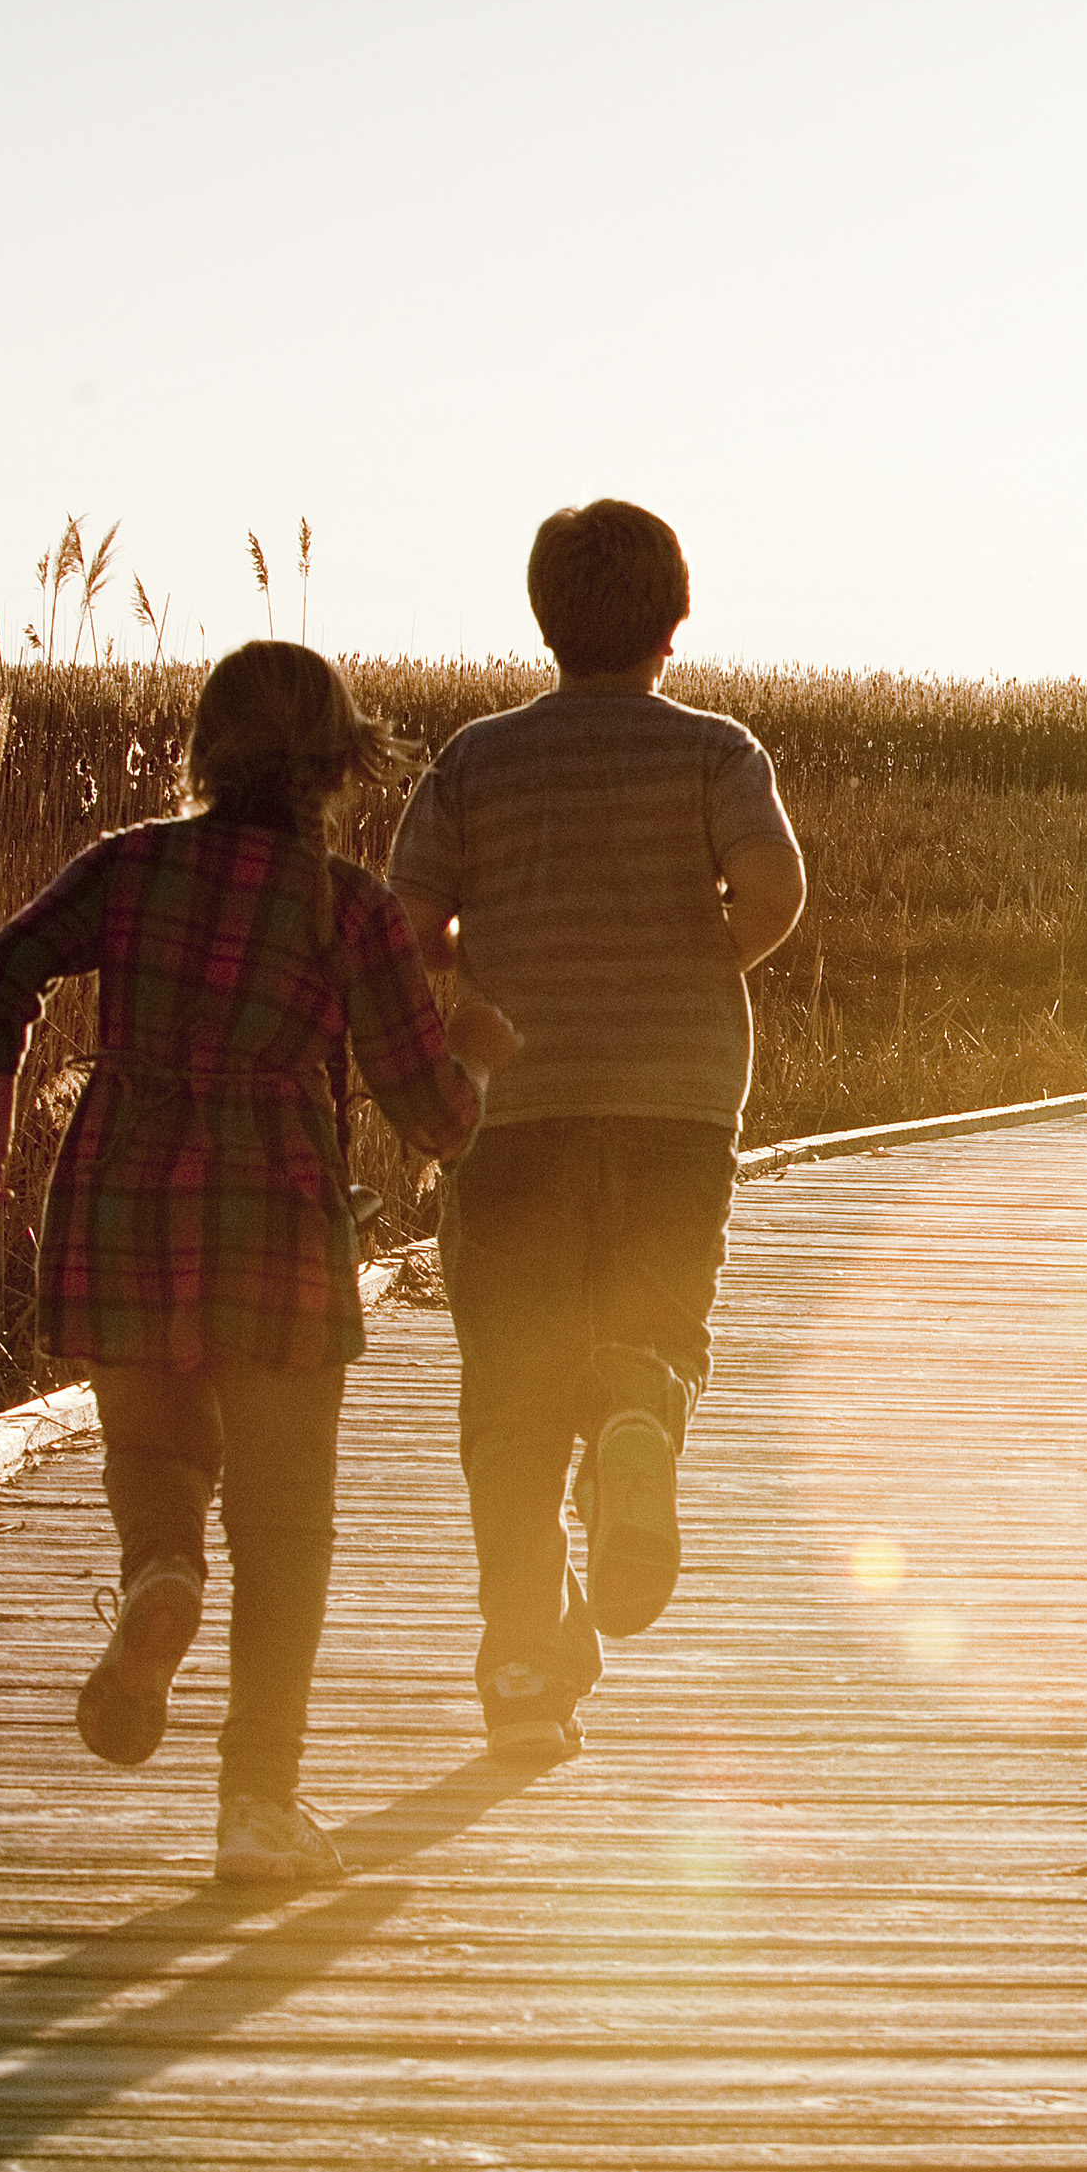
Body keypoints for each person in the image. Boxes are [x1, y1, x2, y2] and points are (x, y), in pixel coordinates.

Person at [0, 641, 520, 1885]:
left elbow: (2, 971)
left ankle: (159, 1570)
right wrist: (476, 1045)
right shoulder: (348, 905)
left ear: (206, 749)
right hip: (273, 1220)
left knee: (153, 1457)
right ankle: (258, 1802)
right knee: (286, 1525)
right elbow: (432, 1117)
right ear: (333, 767)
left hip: (118, 1212)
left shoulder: (132, 863)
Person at [385, 500, 804, 1760]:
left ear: (543, 621)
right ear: (675, 625)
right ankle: (637, 1411)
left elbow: (404, 928)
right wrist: (708, 955)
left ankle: (523, 1660)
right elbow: (776, 888)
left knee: (510, 1387)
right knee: (658, 1316)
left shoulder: (474, 761)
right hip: (679, 1100)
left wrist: (464, 988)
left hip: (517, 1113)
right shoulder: (719, 752)